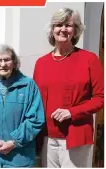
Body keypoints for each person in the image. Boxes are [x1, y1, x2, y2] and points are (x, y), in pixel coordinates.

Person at [33, 8, 104, 168]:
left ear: (76, 30)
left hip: (76, 136)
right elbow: (35, 101)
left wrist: (71, 112)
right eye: (59, 24)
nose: (63, 29)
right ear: (52, 29)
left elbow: (101, 98)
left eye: (68, 25)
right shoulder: (41, 63)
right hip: (47, 137)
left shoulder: (89, 59)